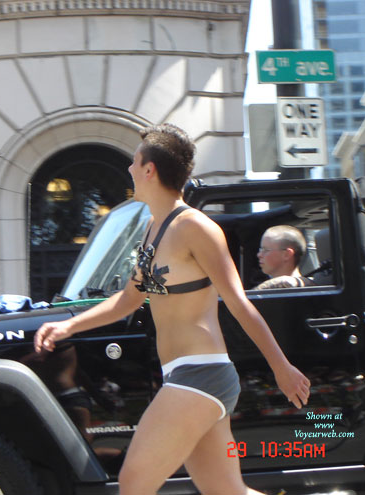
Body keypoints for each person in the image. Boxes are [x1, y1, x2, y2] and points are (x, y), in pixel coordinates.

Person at [34, 124, 310, 495]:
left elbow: (238, 301)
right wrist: (68, 327)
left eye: (134, 162)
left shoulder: (196, 227)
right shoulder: (152, 229)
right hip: (186, 376)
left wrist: (282, 367)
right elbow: (129, 300)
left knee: (133, 483)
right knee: (226, 491)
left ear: (149, 170)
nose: (129, 169)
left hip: (201, 375)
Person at [255, 225, 315, 289]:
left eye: (265, 250)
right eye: (261, 249)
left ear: (287, 254)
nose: (259, 255)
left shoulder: (305, 291)